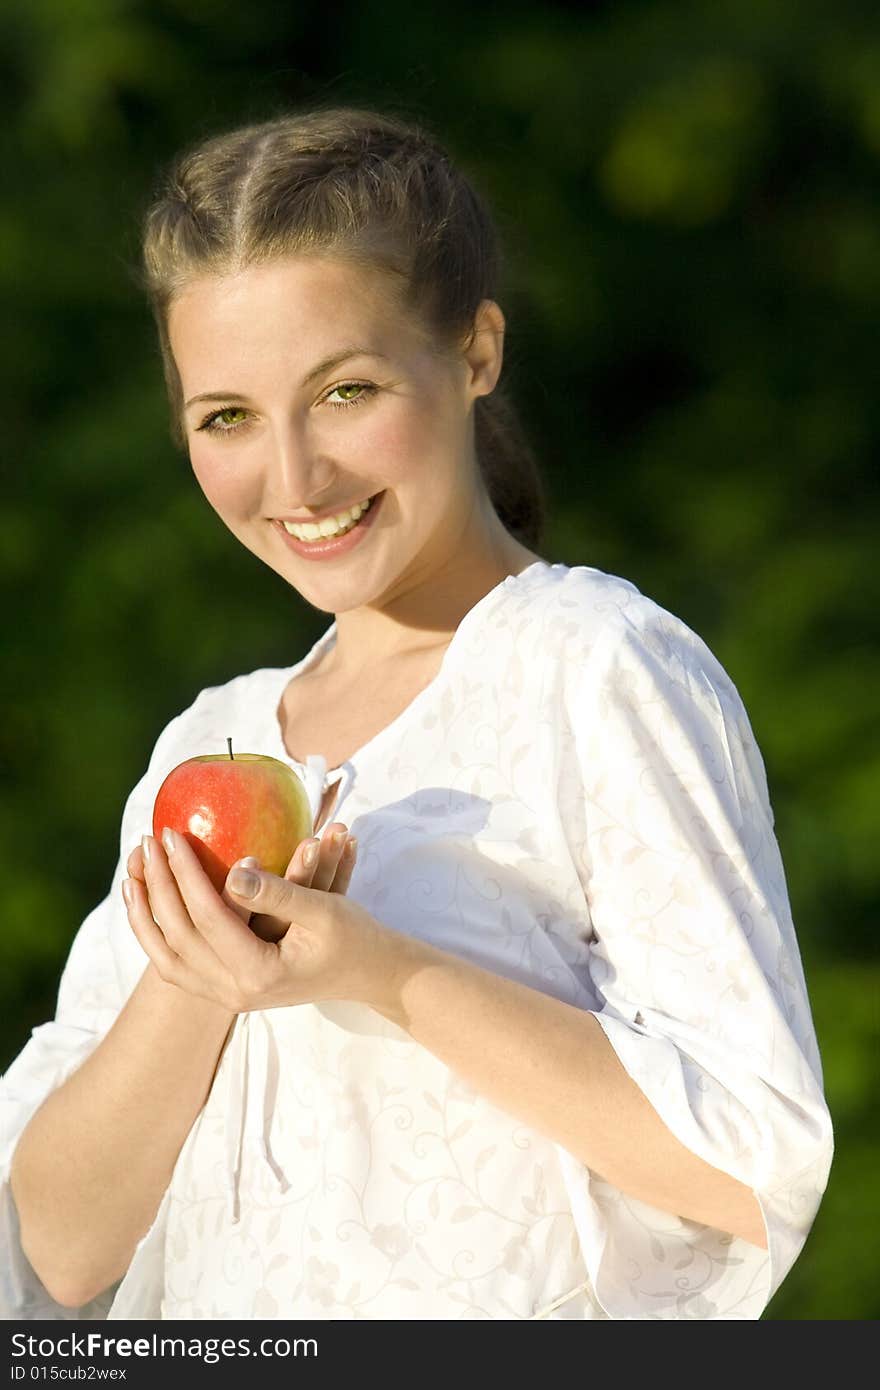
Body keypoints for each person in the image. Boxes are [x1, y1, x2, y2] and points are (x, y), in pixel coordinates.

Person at [1, 106, 833, 1322]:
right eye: (226, 416)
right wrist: (200, 980)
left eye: (344, 391)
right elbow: (55, 1258)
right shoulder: (205, 745)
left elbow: (752, 1171)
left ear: (476, 349)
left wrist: (381, 970)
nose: (294, 480)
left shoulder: (597, 669)